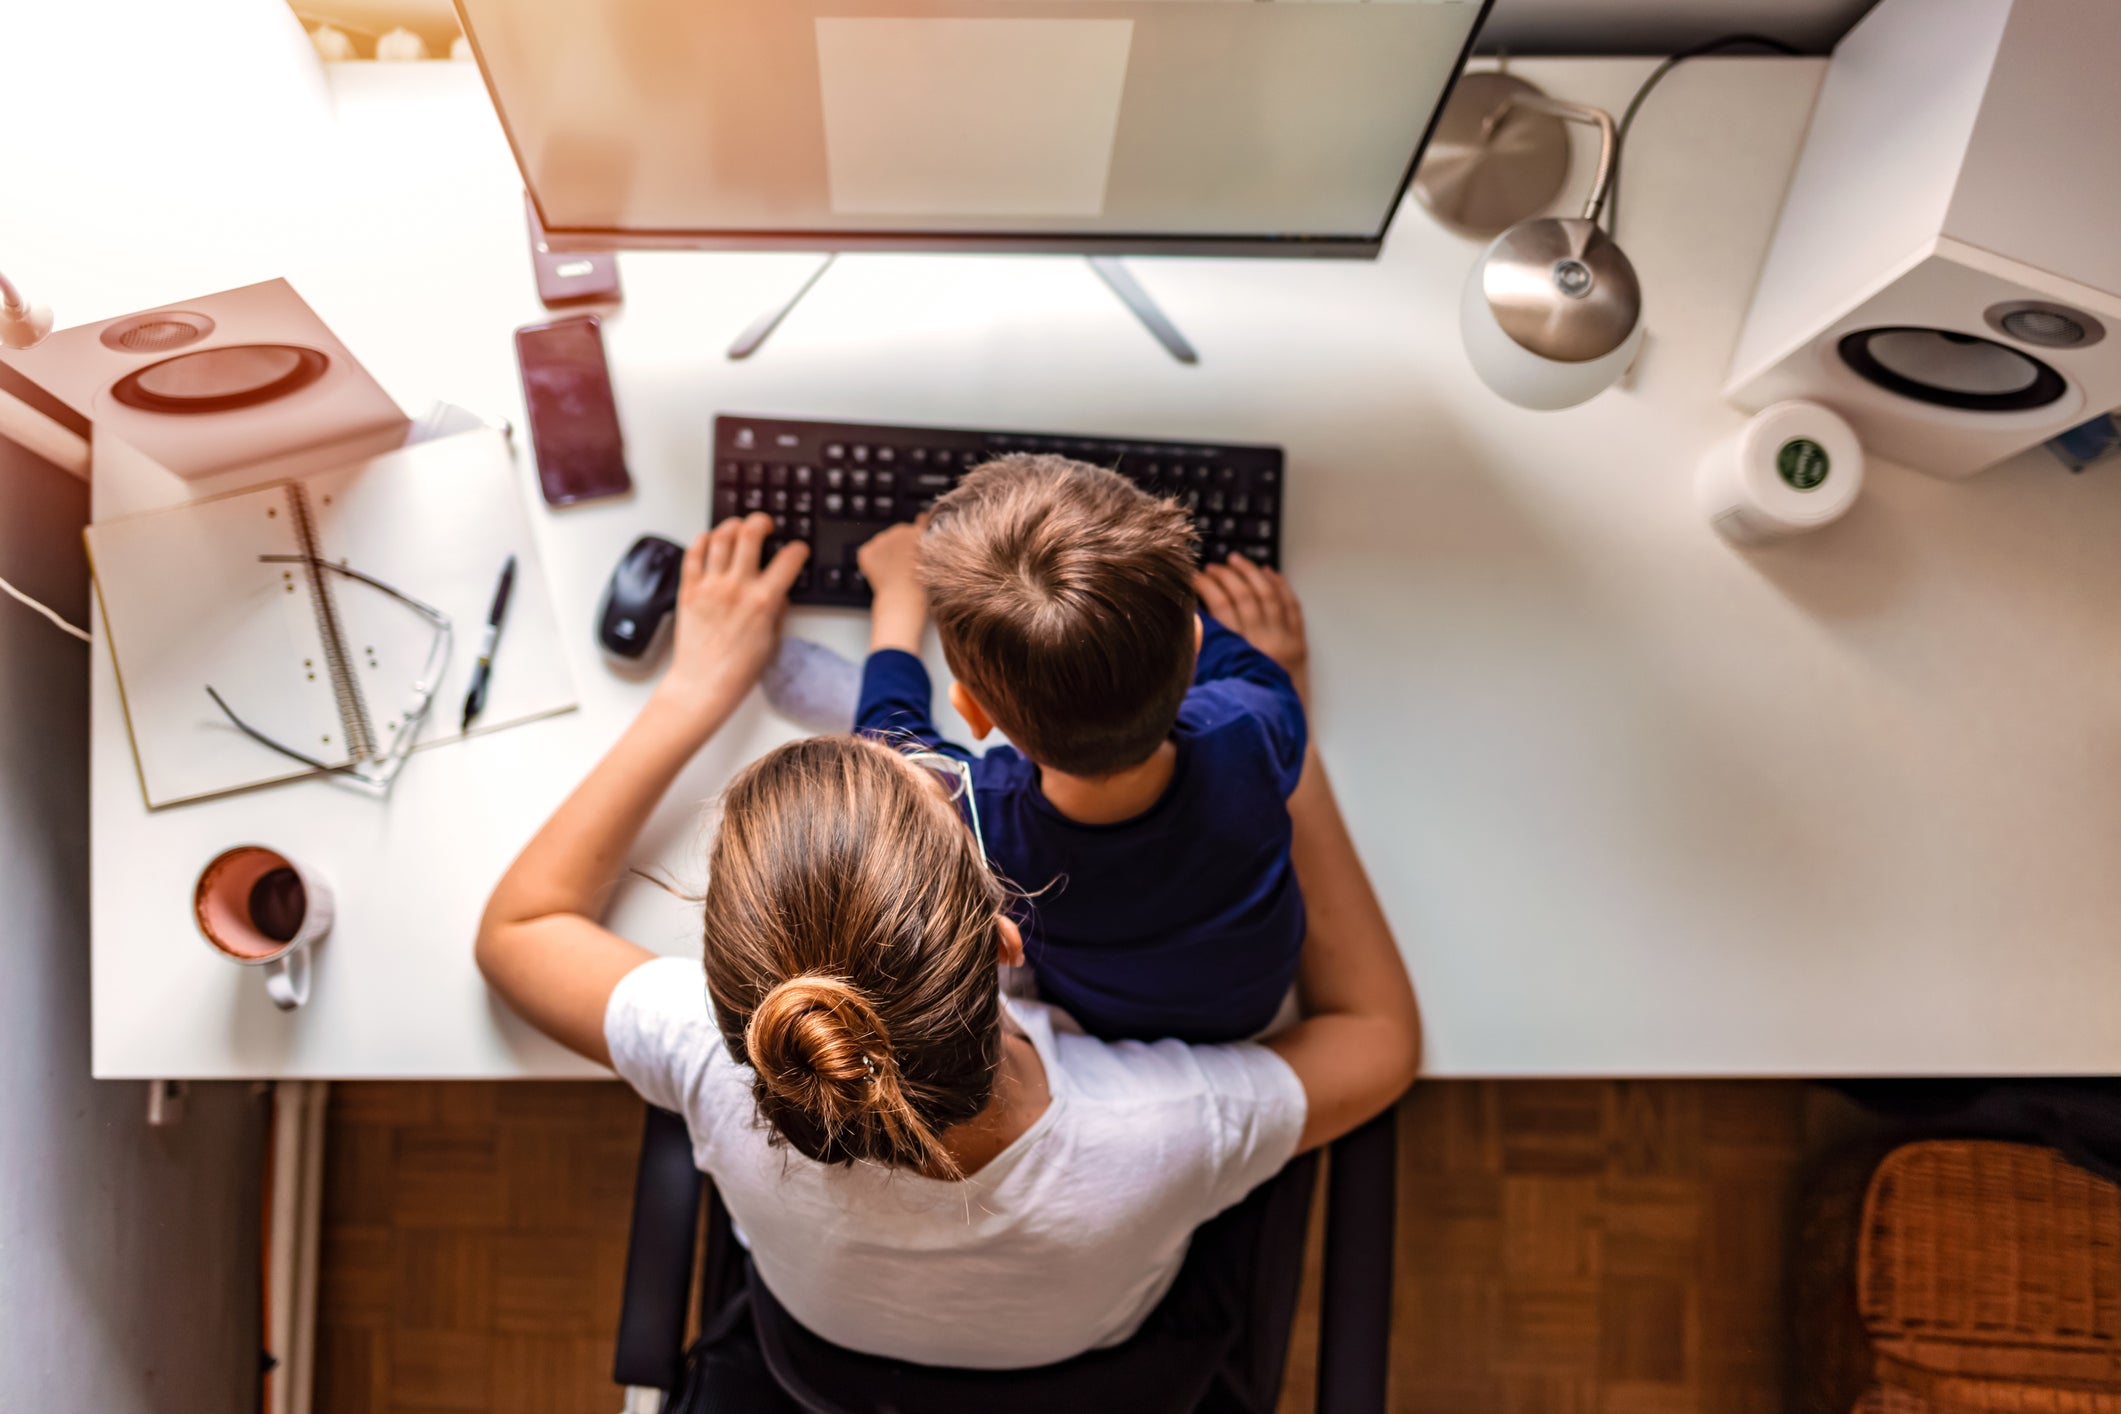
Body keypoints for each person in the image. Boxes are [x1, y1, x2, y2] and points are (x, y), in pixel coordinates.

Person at [475, 512, 1418, 1372]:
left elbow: (517, 931)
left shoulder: (726, 1062)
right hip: (1096, 1360)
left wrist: (695, 688)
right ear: (1010, 938)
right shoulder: (1158, 1128)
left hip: (821, 1360)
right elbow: (1378, 1037)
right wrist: (1279, 755)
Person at [854, 456, 1308, 1044]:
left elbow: (887, 752)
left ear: (971, 712)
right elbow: (1245, 670)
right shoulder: (1255, 718)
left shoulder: (981, 820)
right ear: (1195, 650)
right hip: (1252, 1004)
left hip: (1105, 1021)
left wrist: (895, 603)